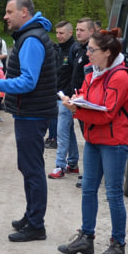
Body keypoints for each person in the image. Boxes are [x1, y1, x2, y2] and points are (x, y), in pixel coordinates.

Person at [0, 0, 57, 242]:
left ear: (24, 12)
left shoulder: (32, 39)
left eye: (9, 11)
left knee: (32, 169)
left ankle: (36, 225)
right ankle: (31, 215)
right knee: (28, 166)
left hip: (33, 113)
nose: (5, 16)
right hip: (30, 112)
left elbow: (28, 81)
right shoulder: (31, 35)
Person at [58, 28, 128, 254]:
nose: (87, 53)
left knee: (113, 195)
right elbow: (85, 93)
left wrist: (76, 110)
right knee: (88, 189)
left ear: (108, 52)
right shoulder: (93, 73)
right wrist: (77, 99)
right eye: (88, 48)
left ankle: (118, 246)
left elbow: (107, 115)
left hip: (114, 143)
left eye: (92, 49)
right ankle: (86, 237)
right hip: (93, 141)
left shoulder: (119, 77)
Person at [48, 21, 79, 178]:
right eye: (57, 33)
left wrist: (71, 95)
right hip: (58, 96)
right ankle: (72, 163)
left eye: (61, 33)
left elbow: (75, 74)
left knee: (61, 132)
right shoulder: (58, 49)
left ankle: (59, 166)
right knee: (69, 131)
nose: (58, 36)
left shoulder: (74, 50)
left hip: (66, 98)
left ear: (69, 33)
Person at [71, 18, 97, 189]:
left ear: (91, 32)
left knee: (91, 139)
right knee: (87, 138)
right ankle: (89, 172)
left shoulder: (93, 53)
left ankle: (90, 174)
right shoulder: (79, 49)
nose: (78, 32)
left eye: (81, 30)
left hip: (88, 102)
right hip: (78, 100)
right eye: (77, 29)